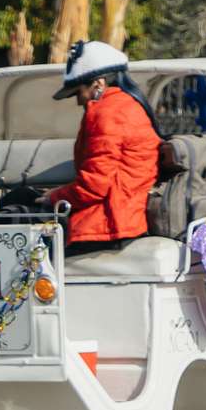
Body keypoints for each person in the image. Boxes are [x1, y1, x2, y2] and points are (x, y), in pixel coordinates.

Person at [42, 40, 161, 254]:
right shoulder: (126, 106)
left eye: (78, 92)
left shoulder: (107, 113)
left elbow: (95, 185)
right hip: (125, 218)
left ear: (98, 84)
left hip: (106, 225)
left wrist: (53, 197)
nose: (78, 101)